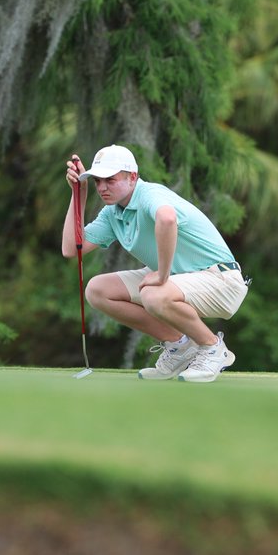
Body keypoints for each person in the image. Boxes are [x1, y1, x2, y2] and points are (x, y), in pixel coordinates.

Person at [61, 144, 247, 382]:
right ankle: (180, 346)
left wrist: (161, 276)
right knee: (97, 290)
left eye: (111, 179)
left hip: (221, 280)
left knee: (153, 293)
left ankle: (212, 347)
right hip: (180, 280)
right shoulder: (112, 212)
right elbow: (71, 248)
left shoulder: (150, 195)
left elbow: (167, 218)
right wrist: (79, 195)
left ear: (133, 177)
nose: (103, 187)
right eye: (97, 181)